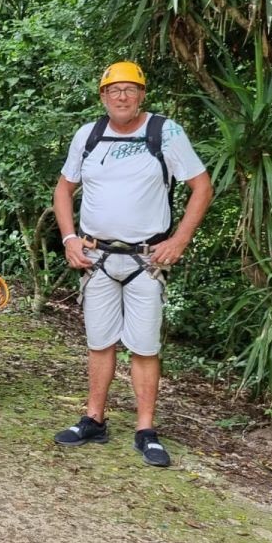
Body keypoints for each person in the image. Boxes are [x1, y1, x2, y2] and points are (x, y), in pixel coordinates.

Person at [52, 61, 212, 467]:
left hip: (146, 257)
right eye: (113, 90)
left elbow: (201, 186)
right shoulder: (88, 135)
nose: (122, 97)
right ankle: (94, 418)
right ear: (103, 97)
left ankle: (145, 428)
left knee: (144, 346)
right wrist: (69, 238)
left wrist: (179, 240)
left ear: (142, 94)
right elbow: (64, 188)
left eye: (130, 90)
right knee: (99, 341)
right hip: (97, 257)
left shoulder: (165, 132)